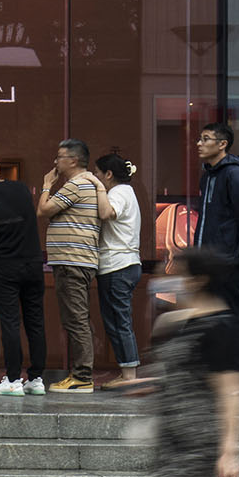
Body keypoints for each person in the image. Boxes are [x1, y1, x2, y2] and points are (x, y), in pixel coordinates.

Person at [126, 246, 239, 477]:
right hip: (173, 438)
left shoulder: (224, 328)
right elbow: (171, 371)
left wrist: (229, 450)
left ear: (198, 280)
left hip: (199, 442)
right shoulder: (180, 321)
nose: (170, 279)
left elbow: (231, 392)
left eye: (178, 273)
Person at [0, 153, 45, 396]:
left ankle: (13, 379)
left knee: (11, 322)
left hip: (7, 264)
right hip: (33, 262)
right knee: (35, 321)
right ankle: (37, 379)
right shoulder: (22, 189)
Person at [39, 139, 103, 392]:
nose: (55, 162)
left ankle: (82, 377)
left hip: (72, 260)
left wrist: (46, 185)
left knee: (76, 319)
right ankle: (80, 374)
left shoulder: (76, 184)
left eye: (60, 157)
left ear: (74, 160)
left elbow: (43, 210)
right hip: (76, 259)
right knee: (77, 318)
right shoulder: (86, 184)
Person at [194, 121, 239, 372]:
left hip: (227, 258)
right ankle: (214, 368)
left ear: (222, 144)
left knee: (231, 313)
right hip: (207, 258)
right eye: (199, 138)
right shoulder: (208, 174)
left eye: (205, 139)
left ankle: (237, 371)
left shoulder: (235, 174)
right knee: (209, 314)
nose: (199, 143)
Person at [93, 153, 144, 388]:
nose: (95, 177)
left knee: (118, 320)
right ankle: (126, 371)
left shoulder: (119, 192)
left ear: (108, 175)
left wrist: (98, 189)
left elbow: (106, 213)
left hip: (118, 265)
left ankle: (129, 375)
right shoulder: (125, 192)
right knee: (116, 319)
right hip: (122, 264)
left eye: (97, 174)